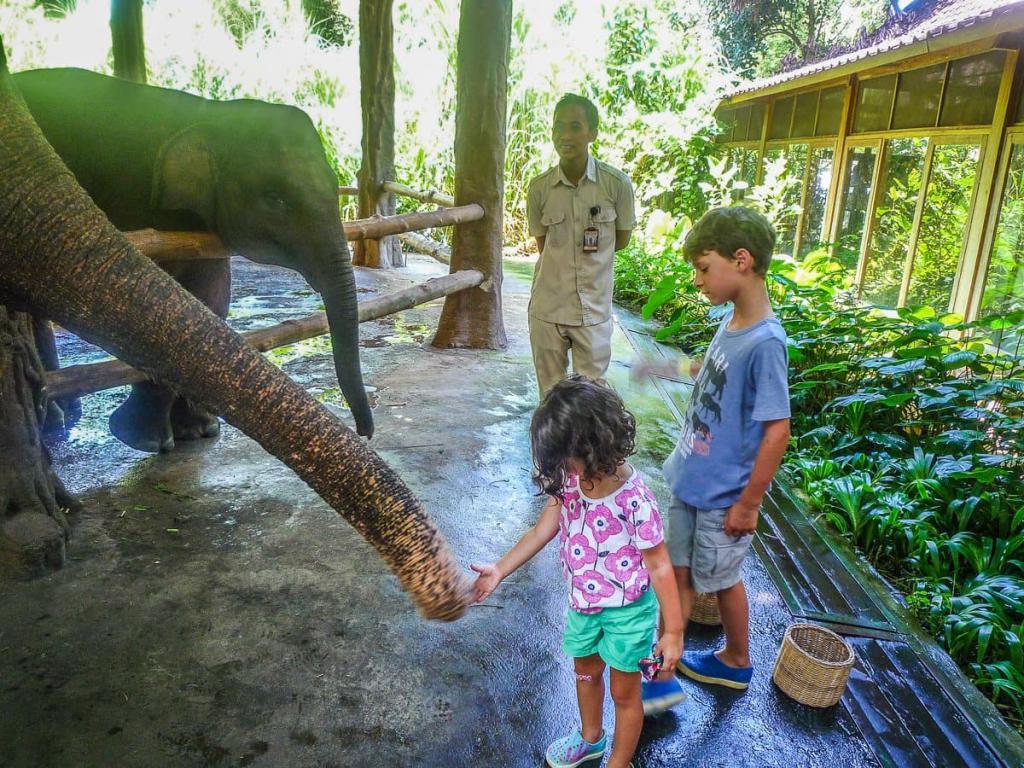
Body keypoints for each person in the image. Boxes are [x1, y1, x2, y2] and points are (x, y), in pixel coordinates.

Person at [471, 376, 684, 768]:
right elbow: (543, 529)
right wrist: (499, 569)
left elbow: (659, 565)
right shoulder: (571, 481)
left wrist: (672, 632)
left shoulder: (635, 500)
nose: (560, 467)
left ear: (594, 444)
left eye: (565, 456)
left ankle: (619, 762)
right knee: (585, 673)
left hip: (627, 614)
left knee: (624, 693)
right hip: (583, 604)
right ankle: (591, 738)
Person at [642, 206, 791, 709]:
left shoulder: (766, 342)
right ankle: (663, 669)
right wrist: (667, 366)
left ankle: (736, 659)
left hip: (724, 492)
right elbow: (709, 371)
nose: (697, 279)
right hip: (692, 478)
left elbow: (777, 431)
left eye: (704, 268)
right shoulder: (732, 321)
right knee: (676, 573)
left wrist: (749, 503)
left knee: (723, 580)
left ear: (741, 261)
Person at [527, 94, 635, 397]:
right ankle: (551, 447)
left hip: (593, 312)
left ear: (592, 133)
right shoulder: (539, 189)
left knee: (592, 401)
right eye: (558, 126)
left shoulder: (616, 185)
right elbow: (543, 244)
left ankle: (586, 447)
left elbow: (620, 240)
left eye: (575, 126)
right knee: (550, 400)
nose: (564, 135)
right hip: (548, 310)